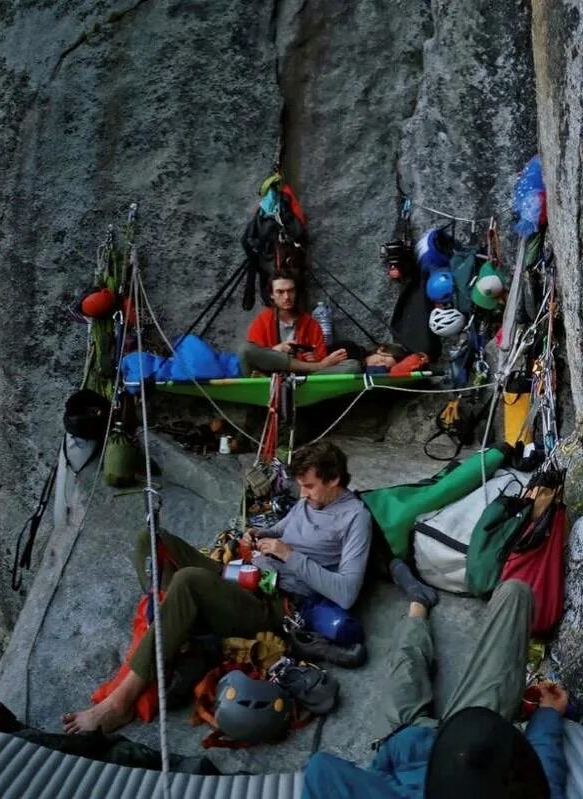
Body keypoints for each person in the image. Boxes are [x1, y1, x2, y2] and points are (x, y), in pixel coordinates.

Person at [63, 441, 371, 734]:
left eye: (309, 486)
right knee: (152, 540)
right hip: (246, 576)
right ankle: (176, 625)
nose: (302, 494)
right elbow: (282, 529)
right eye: (301, 486)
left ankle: (121, 701)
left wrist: (289, 554)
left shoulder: (354, 519)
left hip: (274, 604)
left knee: (188, 580)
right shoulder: (308, 501)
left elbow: (346, 592)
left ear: (333, 480)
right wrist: (257, 533)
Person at [303, 581, 568, 798]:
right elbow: (543, 778)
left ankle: (418, 608)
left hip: (402, 743)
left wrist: (385, 769)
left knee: (407, 666)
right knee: (515, 593)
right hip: (471, 745)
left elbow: (321, 770)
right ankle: (418, 606)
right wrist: (547, 716)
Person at [238, 273, 360, 375]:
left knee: (353, 366)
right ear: (271, 295)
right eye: (280, 292)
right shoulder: (262, 320)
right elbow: (254, 354)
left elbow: (321, 356)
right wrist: (275, 350)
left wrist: (315, 359)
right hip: (270, 376)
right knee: (245, 349)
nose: (286, 297)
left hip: (303, 378)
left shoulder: (311, 323)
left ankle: (304, 384)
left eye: (290, 291)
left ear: (296, 292)